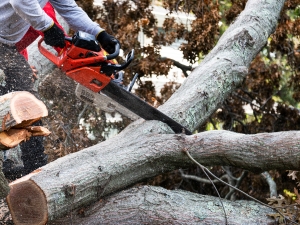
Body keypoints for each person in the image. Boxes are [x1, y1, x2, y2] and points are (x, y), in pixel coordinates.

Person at [0, 0, 119, 198]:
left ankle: (34, 170)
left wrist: (100, 34)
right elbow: (21, 2)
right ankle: (27, 165)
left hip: (7, 45)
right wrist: (48, 27)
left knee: (27, 102)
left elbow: (69, 9)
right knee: (20, 96)